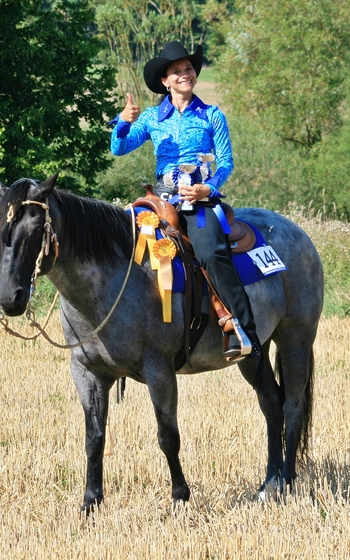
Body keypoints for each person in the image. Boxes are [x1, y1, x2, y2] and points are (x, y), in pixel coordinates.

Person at [110, 40, 261, 364]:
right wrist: (123, 121)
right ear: (165, 81)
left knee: (210, 252)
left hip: (198, 201)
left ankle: (242, 328)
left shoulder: (212, 115)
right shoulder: (151, 118)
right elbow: (119, 148)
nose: (184, 74)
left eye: (188, 68)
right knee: (117, 244)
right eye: (176, 71)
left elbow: (226, 162)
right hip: (159, 200)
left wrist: (209, 188)